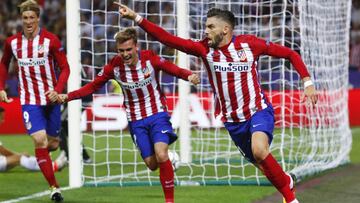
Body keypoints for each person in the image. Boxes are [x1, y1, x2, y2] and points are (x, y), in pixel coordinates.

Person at [116, 4, 318, 203]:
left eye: (211, 27)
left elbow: (290, 54)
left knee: (259, 150)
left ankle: (291, 200)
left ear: (225, 29)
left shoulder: (250, 45)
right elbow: (166, 38)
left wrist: (307, 82)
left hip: (258, 111)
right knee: (264, 167)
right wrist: (136, 18)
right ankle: (287, 181)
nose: (206, 31)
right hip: (233, 122)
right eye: (206, 27)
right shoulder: (203, 49)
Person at [58, 27, 199, 203]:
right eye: (121, 50)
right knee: (152, 164)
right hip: (135, 120)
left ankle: (169, 200)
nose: (125, 54)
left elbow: (172, 68)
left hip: (157, 114)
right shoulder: (114, 67)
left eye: (128, 50)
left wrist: (189, 75)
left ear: (136, 47)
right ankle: (170, 159)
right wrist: (68, 96)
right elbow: (92, 86)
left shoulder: (149, 59)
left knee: (161, 154)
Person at [0, 1, 70, 201]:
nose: (29, 21)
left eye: (32, 17)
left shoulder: (51, 41)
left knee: (53, 144)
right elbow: (4, 63)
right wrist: (1, 87)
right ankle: (54, 188)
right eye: (25, 18)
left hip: (51, 100)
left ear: (38, 18)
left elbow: (65, 68)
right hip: (29, 100)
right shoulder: (12, 42)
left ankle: (45, 158)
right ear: (21, 19)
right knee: (40, 140)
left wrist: (57, 91)